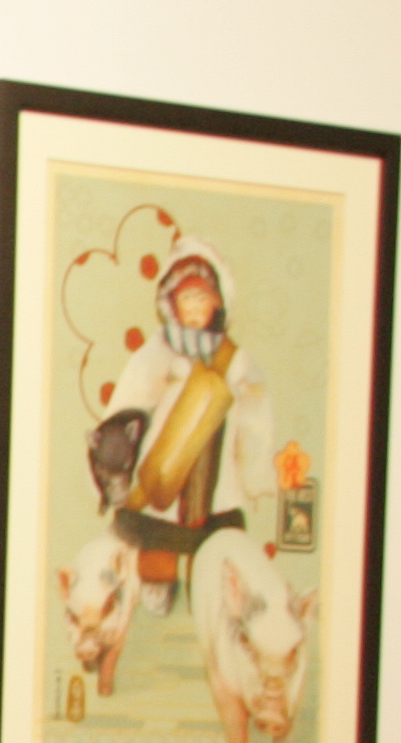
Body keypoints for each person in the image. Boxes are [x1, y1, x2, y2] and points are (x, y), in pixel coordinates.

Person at [84, 233, 279, 614]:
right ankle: (158, 577)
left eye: (202, 299)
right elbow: (132, 398)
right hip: (164, 470)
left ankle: (211, 591)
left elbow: (255, 412)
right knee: (156, 530)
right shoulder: (159, 351)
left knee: (220, 541)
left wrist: (256, 472)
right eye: (186, 299)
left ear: (218, 302)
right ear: (170, 304)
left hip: (217, 471)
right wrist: (116, 460)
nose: (194, 307)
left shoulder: (234, 360)